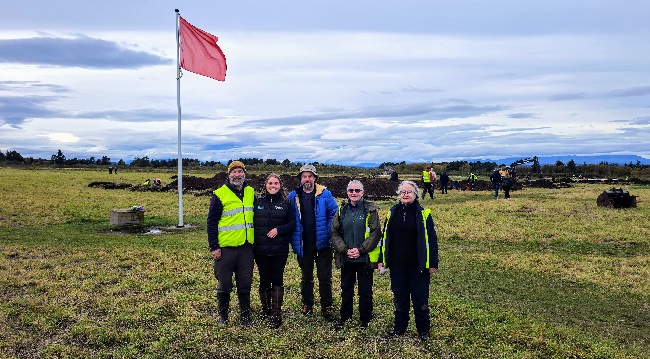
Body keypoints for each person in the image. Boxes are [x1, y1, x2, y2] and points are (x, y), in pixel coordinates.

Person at [378, 180, 439, 341]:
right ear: (399, 195)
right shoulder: (392, 212)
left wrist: (432, 263)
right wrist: (382, 260)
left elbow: (431, 240)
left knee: (420, 299)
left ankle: (423, 330)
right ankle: (399, 328)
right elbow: (385, 239)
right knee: (400, 297)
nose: (405, 194)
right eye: (402, 192)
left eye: (409, 192)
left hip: (418, 266)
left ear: (415, 195)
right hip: (397, 265)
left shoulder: (423, 214)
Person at [207, 160, 255, 327]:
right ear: (229, 174)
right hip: (225, 250)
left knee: (245, 285)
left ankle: (245, 316)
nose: (237, 175)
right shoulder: (219, 194)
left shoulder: (250, 192)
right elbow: (211, 222)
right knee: (225, 285)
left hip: (246, 248)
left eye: (240, 171)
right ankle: (223, 316)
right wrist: (214, 247)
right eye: (234, 172)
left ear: (244, 174)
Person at [288, 165, 339, 322]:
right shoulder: (293, 196)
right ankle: (307, 304)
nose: (307, 179)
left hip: (322, 244)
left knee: (325, 277)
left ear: (315, 178)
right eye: (304, 176)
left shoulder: (325, 194)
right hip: (304, 245)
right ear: (300, 179)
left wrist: (328, 231)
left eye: (310, 176)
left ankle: (326, 307)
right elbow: (288, 216)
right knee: (306, 277)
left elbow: (334, 212)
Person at [331, 180, 381, 331]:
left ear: (362, 193)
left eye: (357, 190)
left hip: (364, 258)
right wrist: (345, 250)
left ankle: (365, 319)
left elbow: (376, 232)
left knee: (365, 290)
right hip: (346, 258)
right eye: (351, 190)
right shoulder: (341, 210)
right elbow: (334, 232)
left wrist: (360, 250)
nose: (354, 193)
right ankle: (345, 316)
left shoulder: (370, 210)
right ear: (347, 193)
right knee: (346, 288)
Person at [253, 174, 295, 329]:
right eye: (270, 183)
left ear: (280, 185)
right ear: (266, 185)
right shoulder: (257, 201)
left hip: (279, 249)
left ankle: (276, 314)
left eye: (276, 183)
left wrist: (279, 229)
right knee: (264, 279)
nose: (273, 185)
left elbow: (292, 223)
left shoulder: (286, 202)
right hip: (260, 249)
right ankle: (265, 310)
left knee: (277, 279)